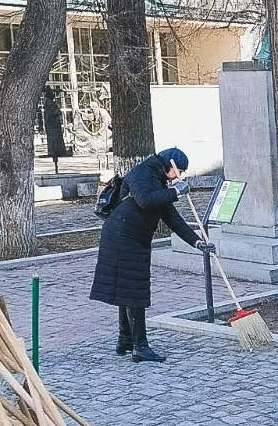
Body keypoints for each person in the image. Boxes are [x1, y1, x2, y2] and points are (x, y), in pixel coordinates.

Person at [89, 148, 212, 363]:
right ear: (170, 165)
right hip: (121, 236)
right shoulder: (142, 173)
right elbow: (145, 200)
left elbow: (172, 218)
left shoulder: (159, 181)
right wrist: (176, 192)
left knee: (127, 289)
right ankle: (140, 346)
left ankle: (126, 339)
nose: (179, 176)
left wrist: (197, 242)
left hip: (132, 237)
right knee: (134, 290)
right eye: (179, 171)